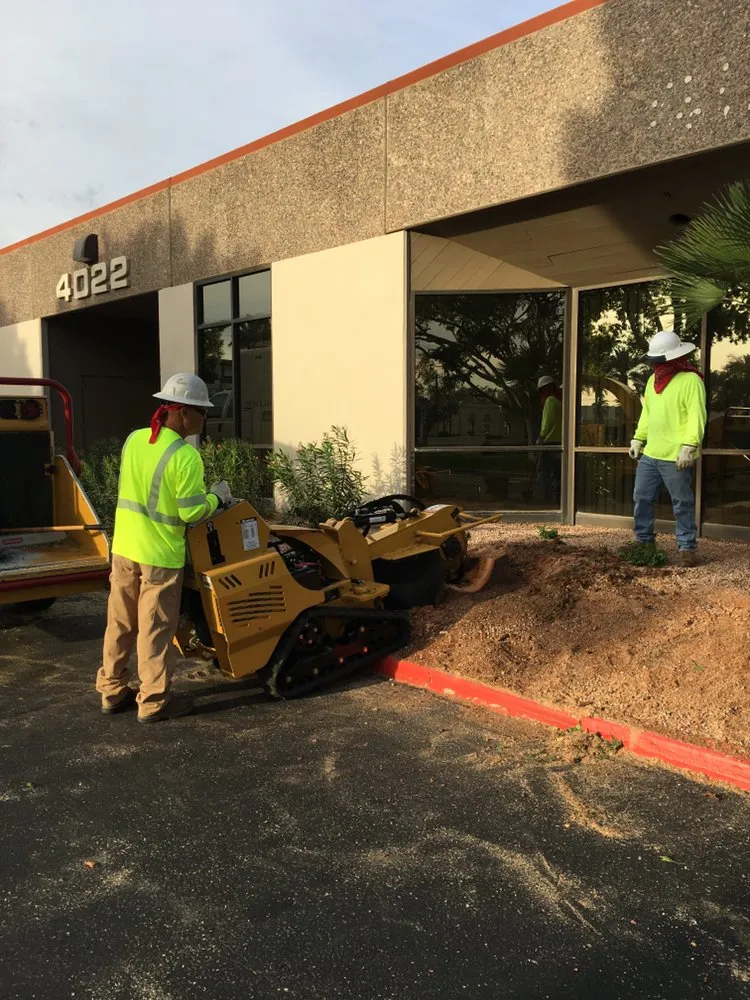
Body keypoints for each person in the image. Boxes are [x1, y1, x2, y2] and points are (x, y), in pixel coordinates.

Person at [96, 373, 232, 722]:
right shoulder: (185, 456)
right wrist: (218, 497)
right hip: (159, 557)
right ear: (184, 412)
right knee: (155, 629)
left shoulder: (134, 440)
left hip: (125, 549)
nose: (204, 421)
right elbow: (191, 512)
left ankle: (112, 691)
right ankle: (154, 701)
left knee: (120, 623)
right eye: (202, 413)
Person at [628, 331, 707, 566]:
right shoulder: (653, 381)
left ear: (673, 357)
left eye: (659, 359)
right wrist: (638, 438)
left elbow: (697, 416)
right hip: (651, 454)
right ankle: (644, 542)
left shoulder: (691, 380)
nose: (656, 364)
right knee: (641, 498)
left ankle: (687, 547)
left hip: (676, 455)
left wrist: (689, 446)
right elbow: (648, 413)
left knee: (682, 502)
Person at [536, 375, 562, 504]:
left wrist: (541, 437)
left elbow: (547, 422)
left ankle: (544, 499)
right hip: (559, 443)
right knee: (556, 474)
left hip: (549, 442)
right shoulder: (558, 402)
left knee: (544, 472)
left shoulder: (550, 401)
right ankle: (555, 500)